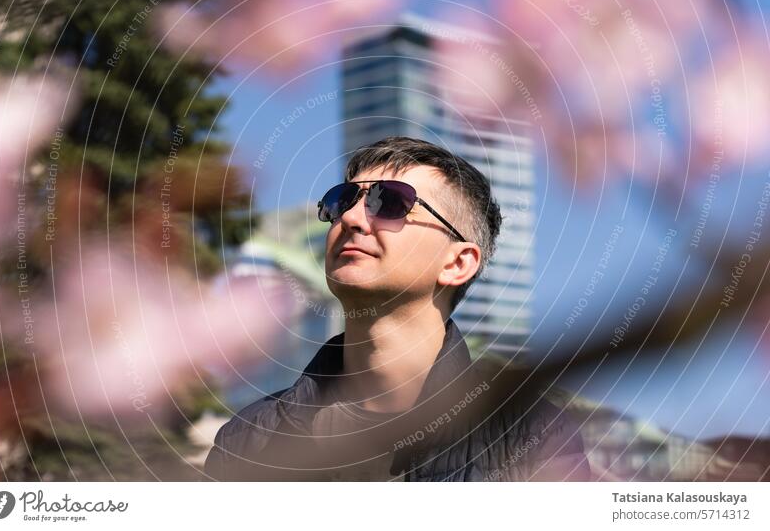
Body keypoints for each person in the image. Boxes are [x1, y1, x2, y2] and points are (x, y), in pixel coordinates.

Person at [204, 136, 590, 481]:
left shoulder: (529, 433)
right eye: (343, 201)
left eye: (389, 202)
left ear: (458, 263)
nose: (352, 219)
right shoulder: (247, 440)